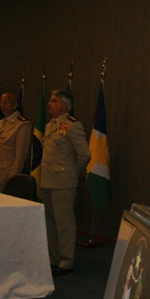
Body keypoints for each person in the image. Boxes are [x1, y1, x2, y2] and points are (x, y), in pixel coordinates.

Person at [40, 89, 90, 276]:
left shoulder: (73, 125)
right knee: (50, 222)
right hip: (47, 180)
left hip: (63, 181)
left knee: (64, 223)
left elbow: (84, 155)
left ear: (65, 105)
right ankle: (53, 258)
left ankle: (66, 261)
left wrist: (72, 173)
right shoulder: (50, 125)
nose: (50, 104)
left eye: (54, 101)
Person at [0, 92, 32, 192]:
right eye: (1, 102)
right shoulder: (0, 123)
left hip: (6, 174)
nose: (2, 105)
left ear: (15, 105)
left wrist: (13, 178)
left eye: (6, 102)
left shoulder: (22, 125)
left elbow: (20, 156)